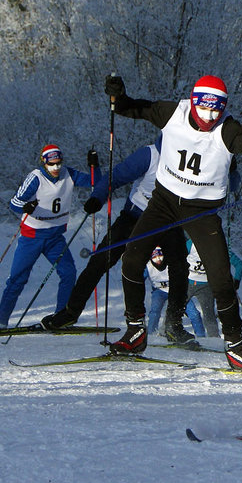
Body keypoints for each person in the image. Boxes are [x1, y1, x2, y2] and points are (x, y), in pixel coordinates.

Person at [102, 73, 242, 371]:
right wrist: (118, 96)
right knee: (131, 259)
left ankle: (235, 346)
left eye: (217, 108)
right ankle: (135, 330)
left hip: (201, 211)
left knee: (220, 276)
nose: (210, 115)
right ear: (193, 102)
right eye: (204, 107)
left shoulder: (228, 130)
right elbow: (132, 108)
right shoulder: (173, 113)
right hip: (163, 201)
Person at [39, 141, 191, 340]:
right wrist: (98, 197)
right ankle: (69, 313)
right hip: (134, 216)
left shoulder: (195, 157)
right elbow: (116, 176)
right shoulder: (151, 154)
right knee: (100, 260)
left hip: (168, 222)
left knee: (180, 266)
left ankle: (174, 324)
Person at [0, 144, 97, 327]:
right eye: (52, 165)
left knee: (69, 273)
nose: (56, 168)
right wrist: (25, 207)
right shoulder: (36, 178)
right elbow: (14, 203)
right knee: (17, 280)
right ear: (44, 163)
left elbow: (95, 181)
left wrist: (95, 166)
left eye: (58, 164)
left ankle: (60, 318)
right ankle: (0, 322)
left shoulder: (68, 174)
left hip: (55, 238)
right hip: (32, 237)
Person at [185, 239, 242, 337]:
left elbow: (239, 264)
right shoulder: (190, 244)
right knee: (175, 306)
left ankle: (214, 338)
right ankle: (165, 331)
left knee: (209, 315)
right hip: (187, 283)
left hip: (206, 286)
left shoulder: (218, 246)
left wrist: (236, 281)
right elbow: (176, 258)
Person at [145, 246, 205, 337]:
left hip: (175, 290)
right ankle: (150, 334)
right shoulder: (148, 266)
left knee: (194, 313)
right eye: (155, 257)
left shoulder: (171, 261)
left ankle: (201, 336)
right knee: (155, 311)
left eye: (160, 257)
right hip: (159, 290)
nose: (158, 260)